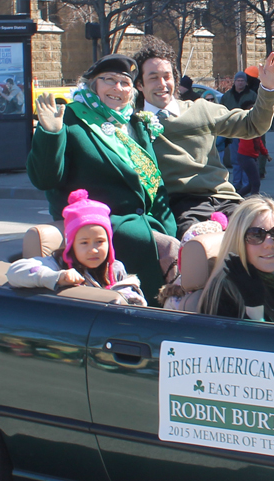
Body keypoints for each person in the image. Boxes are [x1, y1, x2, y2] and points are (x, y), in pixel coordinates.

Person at [26, 54, 178, 305]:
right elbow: (44, 179)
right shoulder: (73, 118)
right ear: (92, 84)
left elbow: (154, 184)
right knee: (171, 254)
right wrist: (51, 133)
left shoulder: (134, 123)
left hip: (145, 224)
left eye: (125, 82)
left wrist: (168, 225)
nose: (118, 88)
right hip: (97, 227)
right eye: (108, 80)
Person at [133, 36, 274, 238]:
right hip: (184, 206)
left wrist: (269, 88)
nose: (162, 84)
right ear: (139, 84)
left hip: (225, 199)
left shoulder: (202, 110)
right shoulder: (133, 124)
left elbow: (252, 125)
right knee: (203, 245)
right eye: (153, 77)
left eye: (167, 76)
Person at [7, 189, 147, 306]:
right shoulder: (57, 264)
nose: (93, 250)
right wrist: (57, 277)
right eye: (84, 243)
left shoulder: (115, 268)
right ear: (71, 244)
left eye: (100, 241)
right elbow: (15, 272)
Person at [220, 71, 259, 191]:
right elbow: (221, 111)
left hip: (247, 132)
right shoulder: (227, 96)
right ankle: (237, 184)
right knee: (235, 161)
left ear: (246, 82)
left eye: (242, 80)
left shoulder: (252, 95)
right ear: (234, 82)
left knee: (247, 160)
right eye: (238, 80)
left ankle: (247, 184)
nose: (240, 83)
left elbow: (258, 111)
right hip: (232, 131)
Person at [237, 101, 271, 196]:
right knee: (255, 183)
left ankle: (234, 198)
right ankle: (253, 203)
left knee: (252, 184)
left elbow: (259, 142)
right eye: (251, 110)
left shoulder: (255, 124)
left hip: (251, 157)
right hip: (245, 156)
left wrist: (266, 154)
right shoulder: (245, 124)